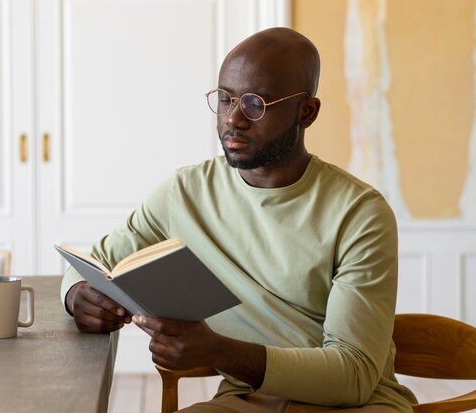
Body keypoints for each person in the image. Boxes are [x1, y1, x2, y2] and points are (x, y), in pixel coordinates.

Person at [60, 27, 417, 413]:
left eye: (255, 103)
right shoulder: (185, 193)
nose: (234, 119)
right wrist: (77, 296)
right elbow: (93, 264)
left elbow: (354, 377)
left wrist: (218, 350)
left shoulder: (360, 212)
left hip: (356, 407)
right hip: (248, 401)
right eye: (225, 98)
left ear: (306, 113)